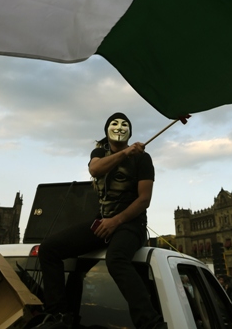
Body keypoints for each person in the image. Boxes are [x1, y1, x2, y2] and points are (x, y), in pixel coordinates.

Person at [38, 113, 164, 329]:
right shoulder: (99, 153)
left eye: (125, 124)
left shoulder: (143, 159)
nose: (119, 127)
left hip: (131, 225)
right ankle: (59, 315)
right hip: (102, 223)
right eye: (114, 124)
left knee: (116, 259)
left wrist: (116, 221)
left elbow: (144, 200)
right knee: (48, 249)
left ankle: (151, 324)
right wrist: (125, 153)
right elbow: (95, 169)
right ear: (107, 130)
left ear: (130, 132)